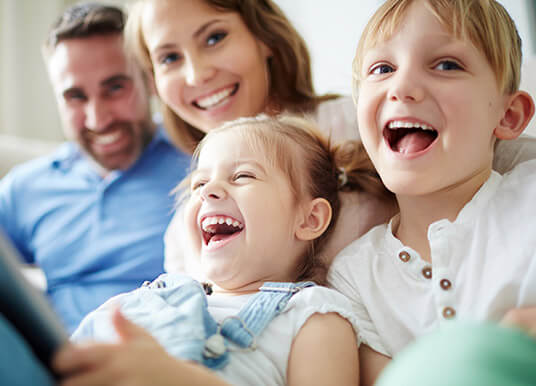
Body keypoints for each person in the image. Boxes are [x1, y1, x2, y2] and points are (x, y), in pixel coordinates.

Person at [47, 114, 378, 385]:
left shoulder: (313, 315)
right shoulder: (144, 300)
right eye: (199, 184)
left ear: (309, 219)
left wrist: (179, 378)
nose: (209, 191)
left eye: (243, 176)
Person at [327, 0, 536, 385]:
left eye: (446, 65)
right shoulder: (354, 276)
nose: (401, 87)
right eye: (383, 69)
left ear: (508, 116)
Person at [124, 0, 400, 278]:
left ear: (264, 35)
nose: (197, 75)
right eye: (169, 58)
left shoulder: (361, 122)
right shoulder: (190, 232)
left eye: (215, 38)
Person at [0, 3, 190, 333]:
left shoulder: (202, 163)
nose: (97, 119)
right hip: (62, 362)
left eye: (115, 88)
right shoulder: (26, 188)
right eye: (75, 96)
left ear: (149, 81)